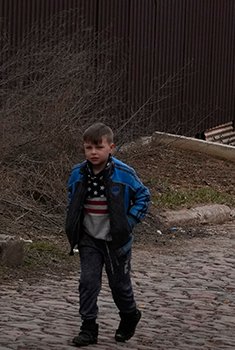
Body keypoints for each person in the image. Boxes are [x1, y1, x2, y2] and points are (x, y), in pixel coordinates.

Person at [64, 122, 150, 346]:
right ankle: (88, 327)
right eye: (88, 148)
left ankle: (130, 315)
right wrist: (73, 223)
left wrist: (129, 222)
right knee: (88, 281)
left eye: (98, 147)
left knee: (119, 284)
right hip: (88, 237)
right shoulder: (78, 173)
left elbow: (143, 197)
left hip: (117, 240)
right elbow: (72, 201)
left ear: (111, 148)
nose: (93, 152)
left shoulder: (124, 173)